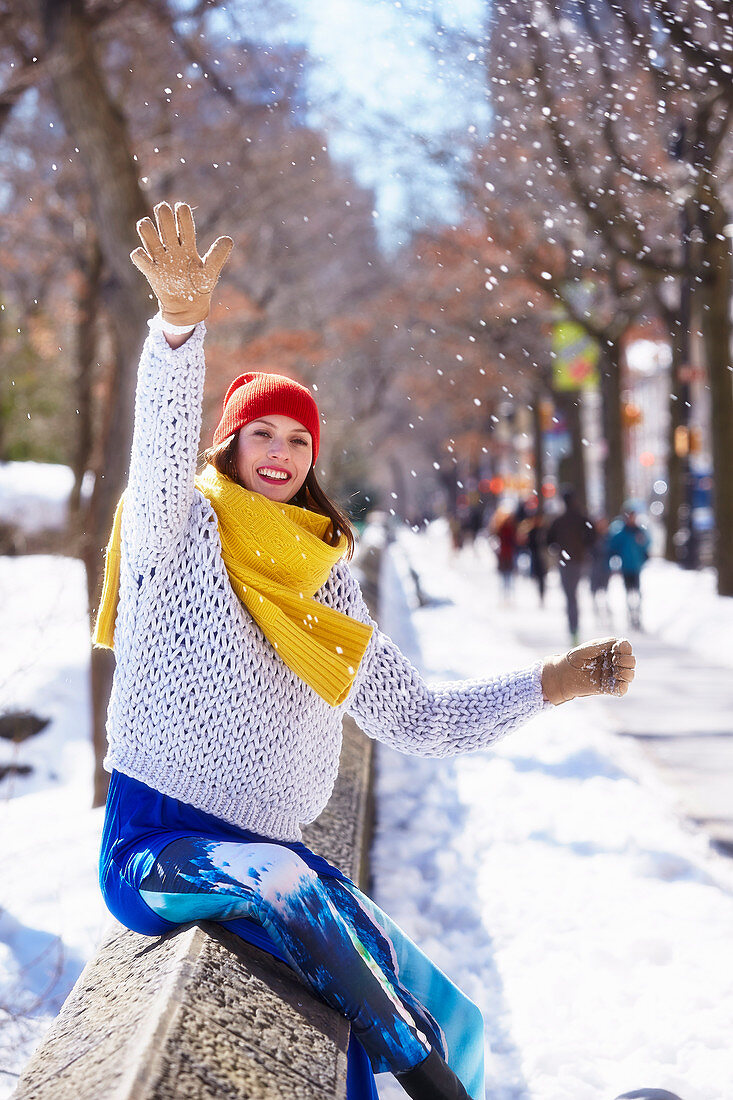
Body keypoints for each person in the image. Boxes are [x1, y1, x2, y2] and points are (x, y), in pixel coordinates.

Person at [94, 203, 637, 1100]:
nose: (279, 451)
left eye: (297, 438)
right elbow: (154, 449)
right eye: (260, 434)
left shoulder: (326, 579)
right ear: (228, 447)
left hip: (278, 863)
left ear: (313, 459)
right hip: (157, 852)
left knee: (419, 993)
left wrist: (553, 682)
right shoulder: (174, 529)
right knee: (293, 896)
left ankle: (439, 1068)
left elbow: (417, 718)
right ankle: (437, 1089)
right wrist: (180, 329)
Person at [547, 487, 596, 644]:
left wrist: (560, 547)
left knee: (570, 596)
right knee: (573, 595)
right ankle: (574, 628)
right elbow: (592, 536)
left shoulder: (559, 521)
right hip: (579, 561)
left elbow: (549, 540)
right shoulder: (582, 518)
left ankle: (573, 628)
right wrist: (582, 547)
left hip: (566, 562)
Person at [609, 502, 651, 630]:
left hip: (636, 567)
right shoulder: (621, 533)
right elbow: (613, 546)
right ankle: (631, 615)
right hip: (626, 567)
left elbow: (646, 545)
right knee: (629, 593)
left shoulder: (640, 532)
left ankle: (637, 616)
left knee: (637, 593)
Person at [589, 515, 613, 625]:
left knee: (605, 591)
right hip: (595, 568)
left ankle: (606, 613)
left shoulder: (609, 537)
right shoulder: (592, 537)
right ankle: (596, 613)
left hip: (605, 568)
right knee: (595, 590)